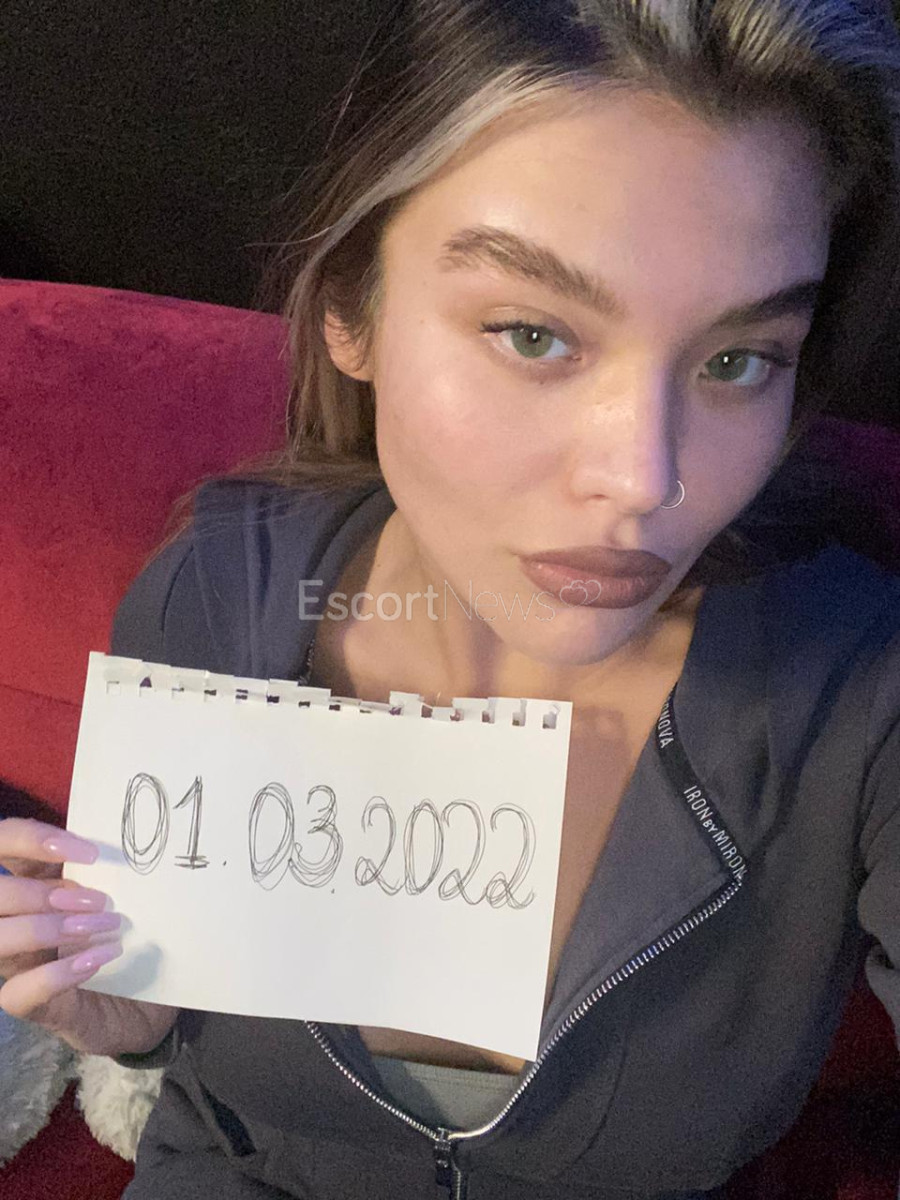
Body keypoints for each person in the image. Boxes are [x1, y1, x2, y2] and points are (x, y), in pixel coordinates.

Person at [2, 1, 900, 1196]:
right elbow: (199, 1055)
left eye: (737, 361)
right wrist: (138, 1020)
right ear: (352, 314)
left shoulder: (859, 695)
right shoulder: (216, 591)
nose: (645, 479)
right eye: (531, 334)